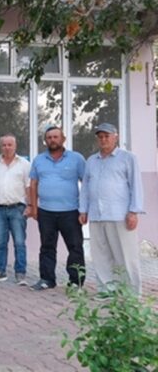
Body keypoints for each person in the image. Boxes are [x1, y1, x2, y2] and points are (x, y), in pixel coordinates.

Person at [79, 123, 144, 295]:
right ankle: (106, 289)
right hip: (97, 215)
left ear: (116, 137)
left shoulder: (128, 158)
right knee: (101, 256)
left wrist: (134, 212)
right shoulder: (92, 161)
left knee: (126, 255)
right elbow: (85, 187)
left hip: (120, 215)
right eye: (100, 137)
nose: (103, 140)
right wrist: (83, 210)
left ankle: (131, 293)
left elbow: (136, 186)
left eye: (107, 136)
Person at [27, 126, 86, 291]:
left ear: (63, 139)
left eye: (55, 137)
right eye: (49, 137)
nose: (52, 140)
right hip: (46, 212)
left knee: (75, 247)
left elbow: (86, 183)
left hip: (70, 212)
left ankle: (76, 281)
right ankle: (47, 279)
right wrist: (34, 208)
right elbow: (33, 184)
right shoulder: (39, 160)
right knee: (47, 247)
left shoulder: (76, 159)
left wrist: (84, 208)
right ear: (45, 141)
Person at [0, 134, 31, 285]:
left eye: (10, 144)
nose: (7, 147)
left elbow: (28, 186)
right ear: (0, 147)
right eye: (4, 145)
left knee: (19, 242)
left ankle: (20, 273)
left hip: (18, 209)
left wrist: (30, 206)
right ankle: (0, 272)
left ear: (15, 146)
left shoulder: (24, 164)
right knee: (0, 242)